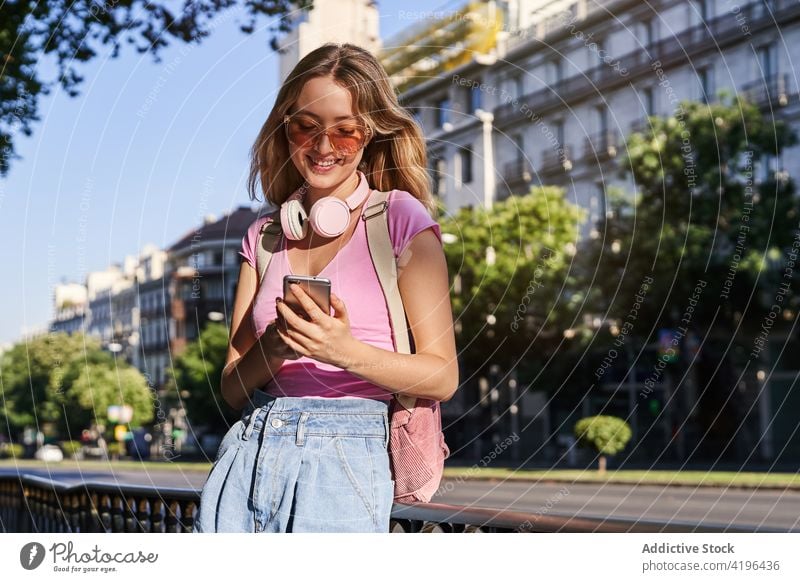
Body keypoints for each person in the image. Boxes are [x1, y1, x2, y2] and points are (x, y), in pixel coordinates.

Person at [193, 42, 458, 533]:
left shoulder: (400, 218)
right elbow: (232, 388)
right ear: (285, 127)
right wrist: (273, 346)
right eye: (306, 126)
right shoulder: (265, 236)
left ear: (370, 134)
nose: (322, 146)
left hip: (347, 458)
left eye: (345, 130)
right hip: (250, 450)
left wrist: (343, 351)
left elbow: (442, 376)